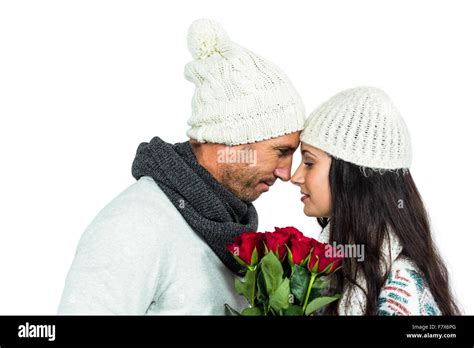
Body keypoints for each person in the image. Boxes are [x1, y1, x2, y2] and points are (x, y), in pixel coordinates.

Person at [58, 18, 306, 314]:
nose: (286, 172)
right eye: (280, 152)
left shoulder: (227, 224)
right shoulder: (134, 226)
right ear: (232, 139)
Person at [291, 87, 459, 315]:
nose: (295, 176)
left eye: (309, 162)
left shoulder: (402, 291)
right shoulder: (339, 265)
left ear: (351, 176)